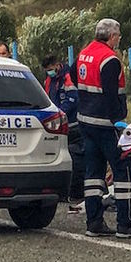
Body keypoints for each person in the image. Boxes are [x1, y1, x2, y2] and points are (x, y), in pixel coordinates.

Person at [77, 18, 131, 238]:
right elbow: (111, 95)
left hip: (86, 121)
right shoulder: (109, 59)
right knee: (123, 170)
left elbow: (74, 75)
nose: (119, 39)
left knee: (93, 174)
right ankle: (125, 224)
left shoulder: (85, 52)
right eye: (118, 35)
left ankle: (94, 222)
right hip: (106, 125)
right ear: (111, 36)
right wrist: (120, 124)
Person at [41, 55, 85, 212]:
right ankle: (64, 191)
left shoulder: (67, 77)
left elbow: (73, 99)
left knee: (76, 157)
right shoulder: (49, 79)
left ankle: (76, 192)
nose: (49, 73)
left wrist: (58, 114)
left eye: (51, 69)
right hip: (57, 124)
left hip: (72, 124)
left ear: (57, 65)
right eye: (47, 71)